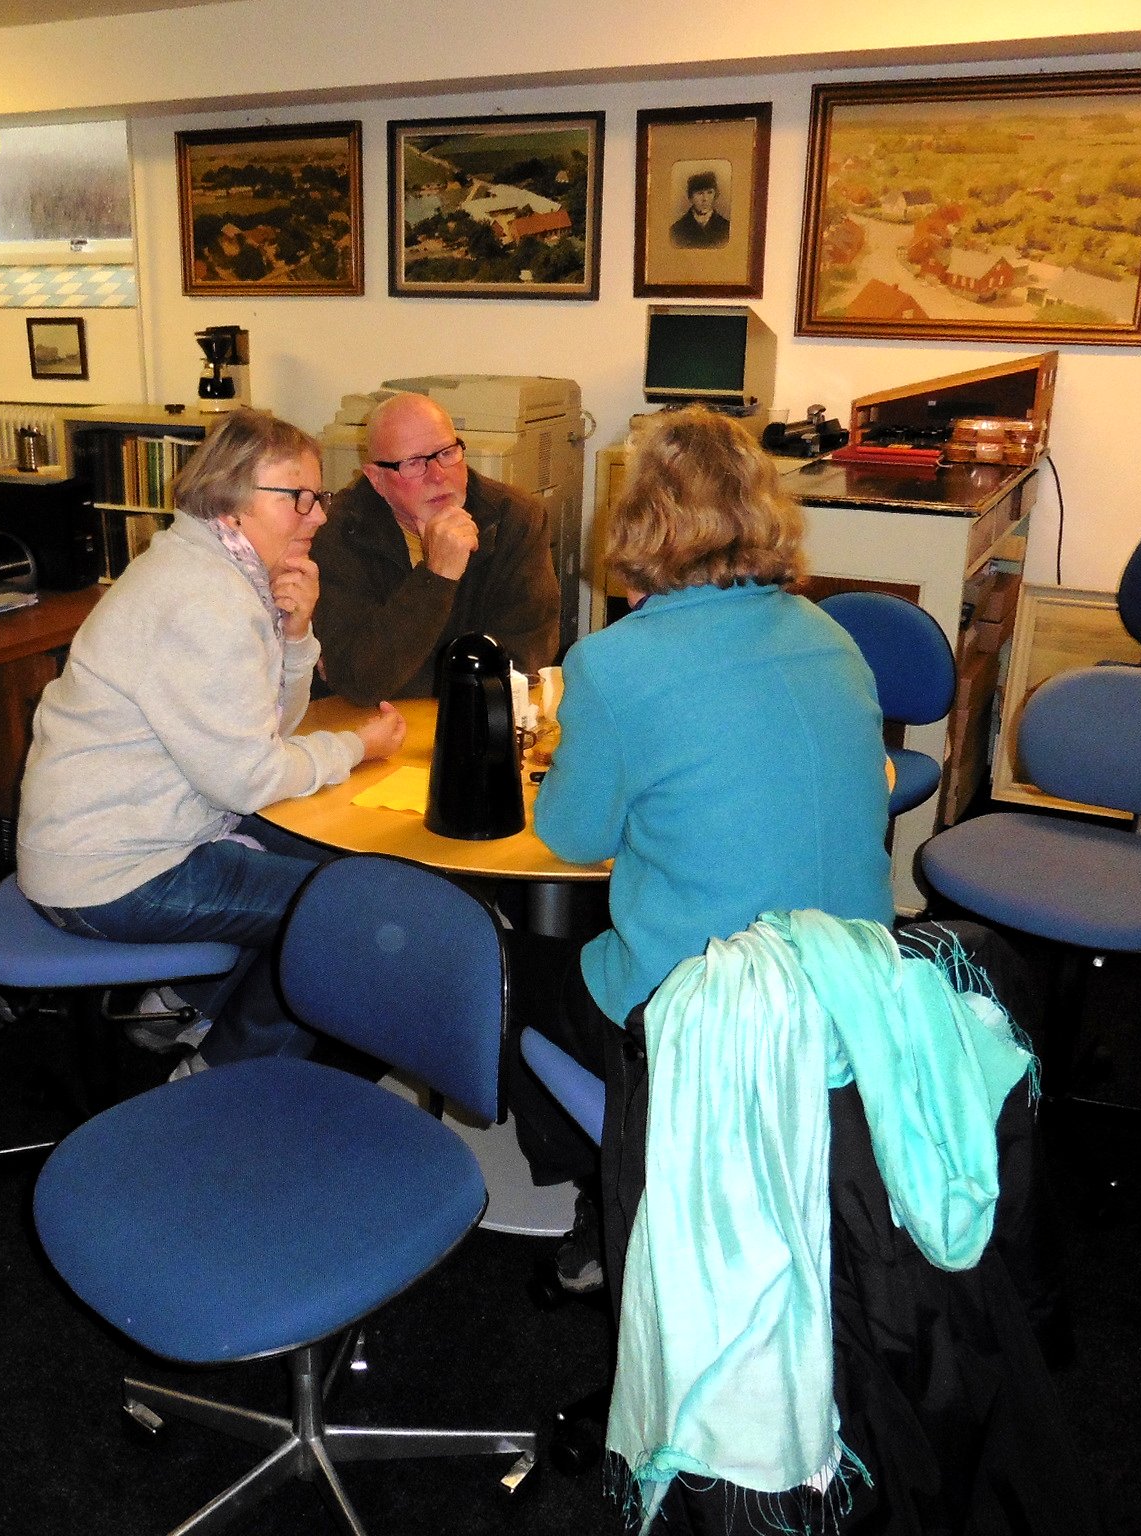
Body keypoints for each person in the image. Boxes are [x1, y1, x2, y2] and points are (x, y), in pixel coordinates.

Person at [521, 405, 894, 1291]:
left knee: (509, 970)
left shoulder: (613, 661)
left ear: (639, 521)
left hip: (708, 1015)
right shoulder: (831, 635)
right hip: (848, 990)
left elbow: (571, 837)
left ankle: (608, 1192)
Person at [14, 408, 406, 1069]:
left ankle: (174, 1005)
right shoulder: (207, 600)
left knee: (337, 859)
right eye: (298, 498)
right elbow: (250, 780)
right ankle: (219, 1082)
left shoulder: (213, 569)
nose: (317, 517)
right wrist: (355, 747)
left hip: (128, 840)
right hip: (110, 875)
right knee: (346, 916)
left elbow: (266, 731)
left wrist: (295, 635)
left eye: (319, 497)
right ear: (231, 502)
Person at [315, 391, 561, 703]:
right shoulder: (337, 532)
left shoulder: (515, 519)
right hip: (371, 724)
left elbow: (524, 660)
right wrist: (436, 578)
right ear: (376, 479)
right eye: (414, 463)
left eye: (446, 453)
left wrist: (404, 676)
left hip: (474, 718)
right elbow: (359, 679)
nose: (437, 475)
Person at [668, 169, 731, 249]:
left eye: (709, 192)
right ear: (690, 197)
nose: (705, 199)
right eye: (700, 193)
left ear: (715, 194)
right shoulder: (677, 230)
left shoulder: (726, 228)